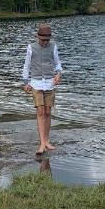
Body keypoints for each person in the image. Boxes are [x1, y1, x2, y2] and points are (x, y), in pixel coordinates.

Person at [22, 23, 62, 157]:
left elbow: (57, 64)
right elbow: (26, 66)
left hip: (50, 83)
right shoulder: (31, 48)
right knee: (40, 111)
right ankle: (42, 143)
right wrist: (25, 82)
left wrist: (58, 74)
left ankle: (47, 140)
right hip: (36, 83)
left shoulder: (53, 47)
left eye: (47, 40)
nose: (45, 42)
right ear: (38, 38)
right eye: (43, 40)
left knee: (48, 111)